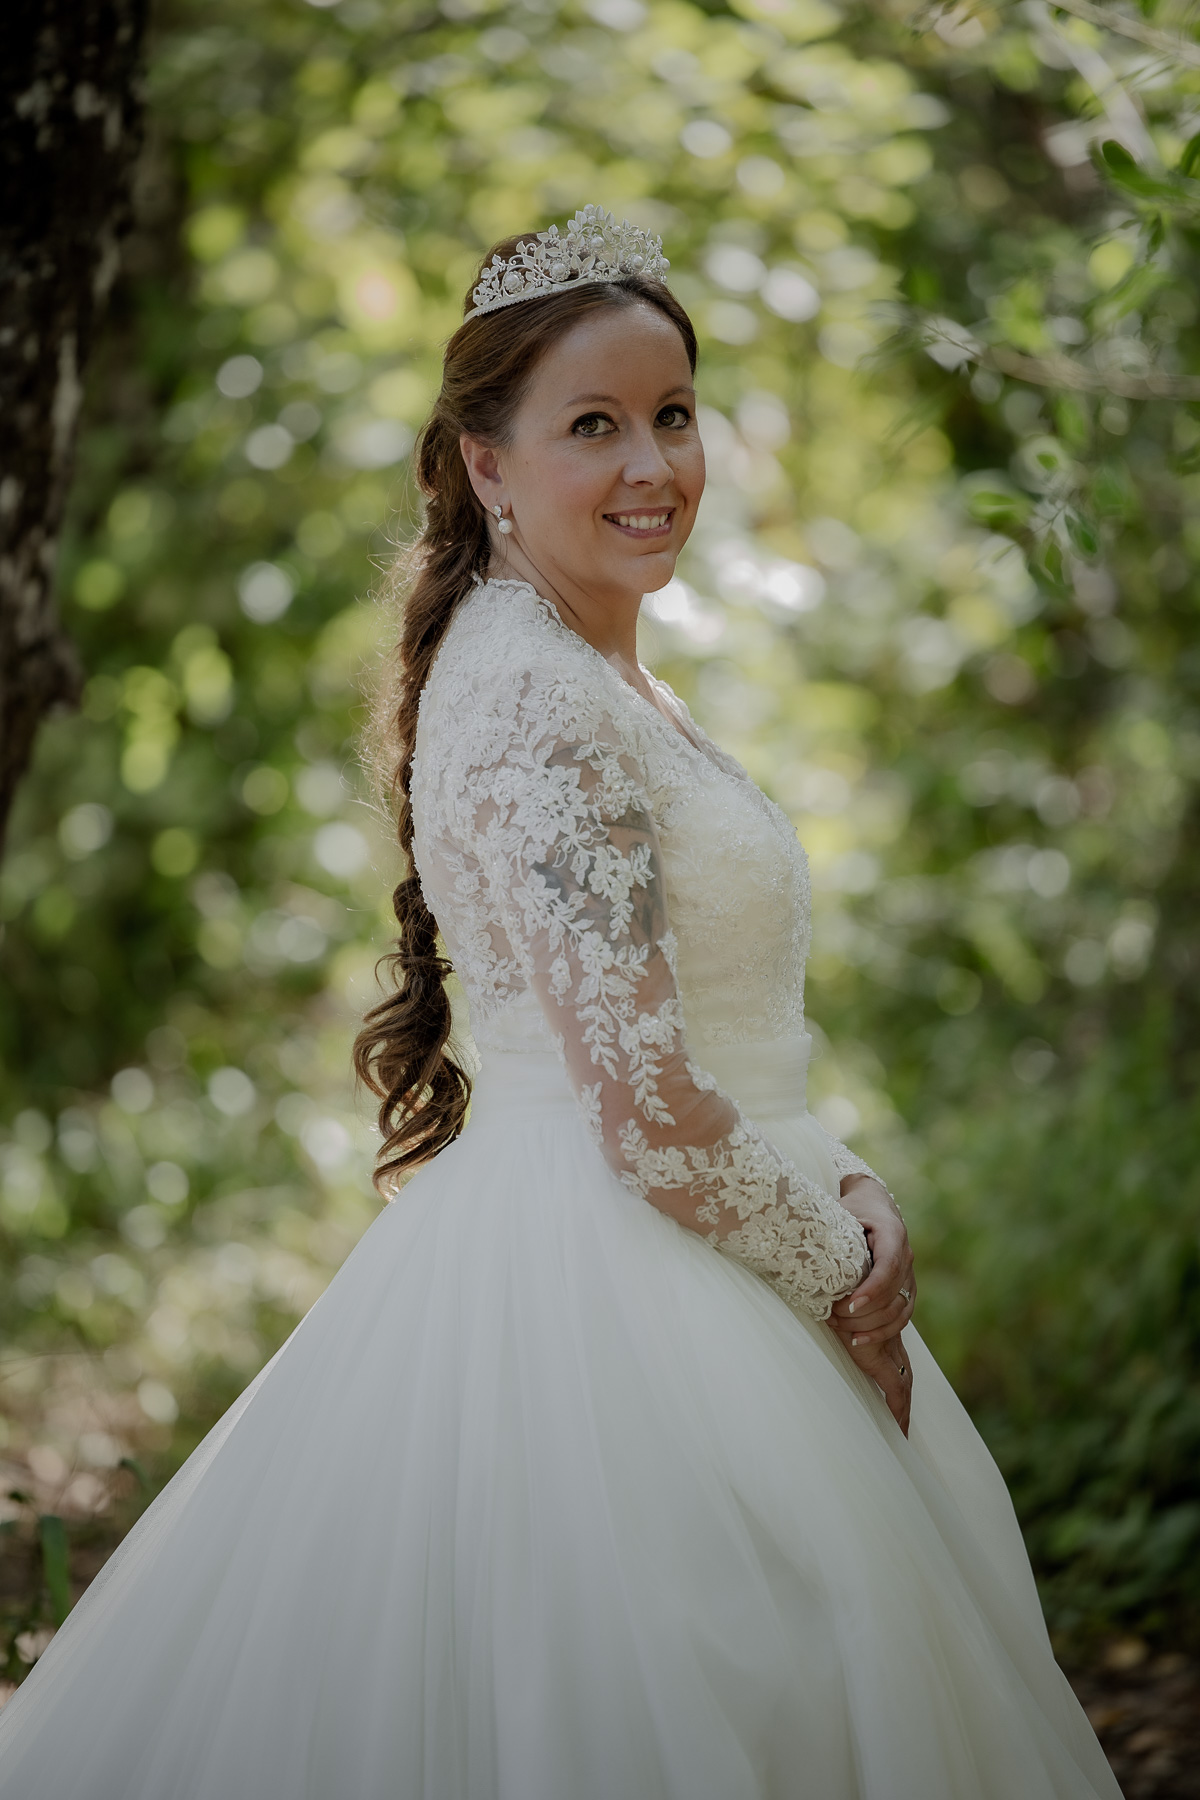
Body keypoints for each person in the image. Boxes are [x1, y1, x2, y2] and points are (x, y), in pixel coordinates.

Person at [0, 205, 1121, 1799]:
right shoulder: (533, 696)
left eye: (671, 412)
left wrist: (845, 1173)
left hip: (679, 1225)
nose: (651, 462)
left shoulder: (586, 668)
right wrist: (851, 1289)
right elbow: (652, 1116)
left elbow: (711, 1042)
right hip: (623, 1291)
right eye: (591, 425)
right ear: (486, 465)